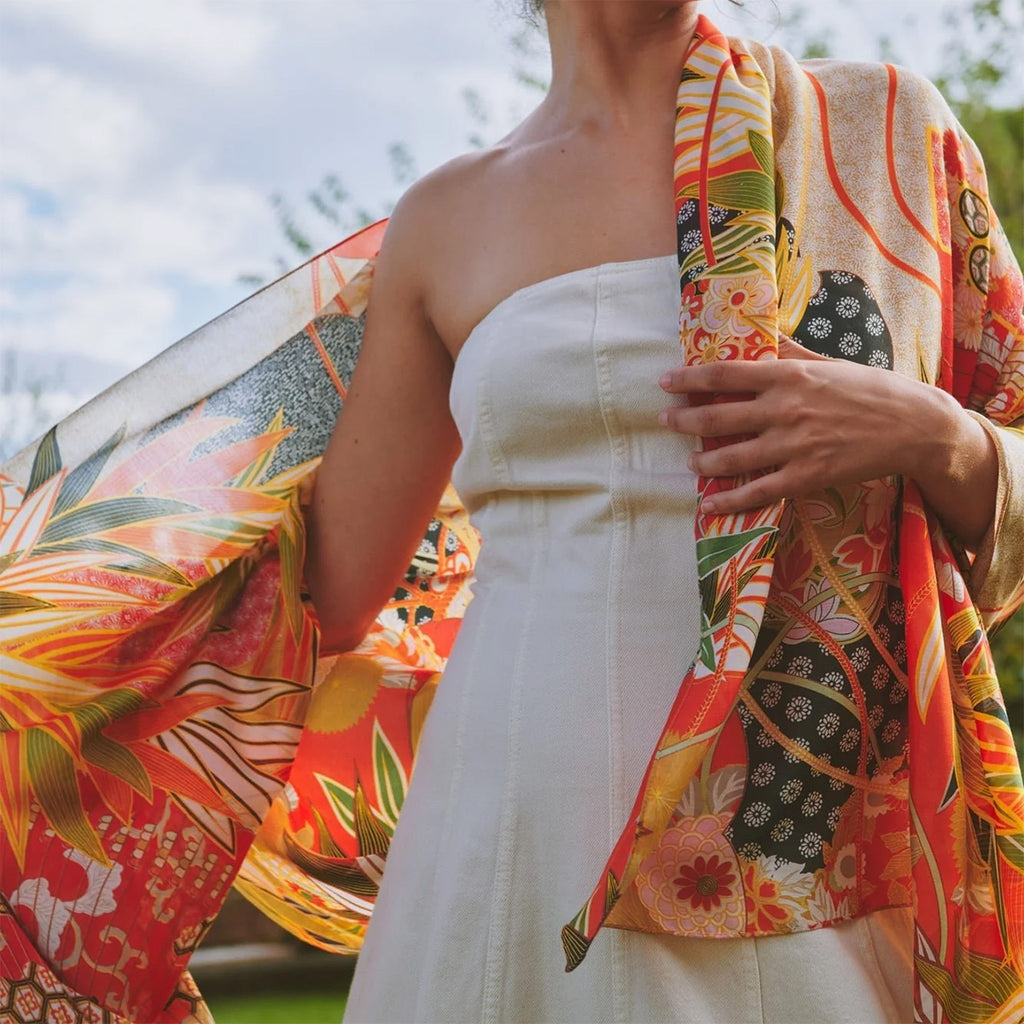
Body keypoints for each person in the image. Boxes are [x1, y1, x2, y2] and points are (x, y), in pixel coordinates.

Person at [1, 3, 1021, 1023]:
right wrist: (63, 644)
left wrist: (937, 436)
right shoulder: (449, 215)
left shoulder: (880, 134)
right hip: (505, 814)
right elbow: (329, 590)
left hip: (791, 841)